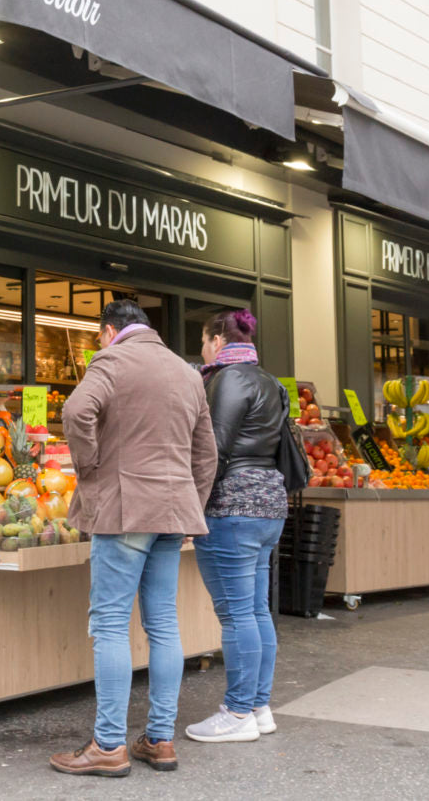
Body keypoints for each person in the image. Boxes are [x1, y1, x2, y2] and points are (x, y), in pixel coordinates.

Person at [49, 299, 218, 777]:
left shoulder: (112, 361)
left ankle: (108, 745)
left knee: (109, 625)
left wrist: (91, 470)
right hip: (172, 512)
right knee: (163, 624)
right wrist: (190, 504)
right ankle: (160, 740)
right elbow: (207, 454)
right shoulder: (188, 372)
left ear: (109, 332)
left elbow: (76, 411)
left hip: (124, 510)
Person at [184, 309, 288, 744]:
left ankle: (238, 712)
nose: (203, 350)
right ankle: (259, 706)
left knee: (236, 613)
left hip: (232, 507)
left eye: (203, 342)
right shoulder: (269, 381)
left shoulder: (227, 379)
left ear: (216, 340)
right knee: (256, 610)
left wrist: (191, 505)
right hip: (268, 504)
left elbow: (215, 450)